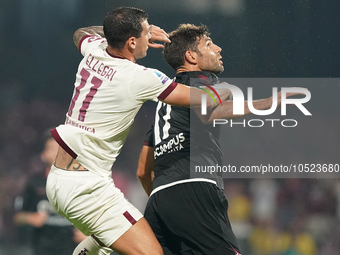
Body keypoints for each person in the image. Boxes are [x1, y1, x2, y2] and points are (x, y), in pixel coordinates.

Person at [46, 7, 227, 255]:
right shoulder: (139, 77)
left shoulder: (94, 48)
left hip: (62, 178)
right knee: (152, 253)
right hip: (86, 187)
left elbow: (81, 33)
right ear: (131, 41)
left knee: (121, 240)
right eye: (146, 31)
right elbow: (200, 98)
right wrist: (226, 91)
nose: (150, 34)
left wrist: (122, 34)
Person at [137, 24, 304, 255]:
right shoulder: (201, 81)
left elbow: (142, 172)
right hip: (195, 187)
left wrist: (168, 198)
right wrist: (268, 103)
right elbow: (208, 112)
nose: (218, 48)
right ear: (191, 56)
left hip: (158, 200)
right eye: (208, 44)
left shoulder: (166, 104)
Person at [13, 131, 85, 255]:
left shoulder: (80, 183)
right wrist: (31, 218)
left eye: (61, 149)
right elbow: (17, 217)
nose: (58, 153)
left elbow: (101, 218)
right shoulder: (34, 183)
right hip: (42, 249)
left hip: (73, 250)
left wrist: (90, 237)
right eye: (52, 149)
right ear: (43, 154)